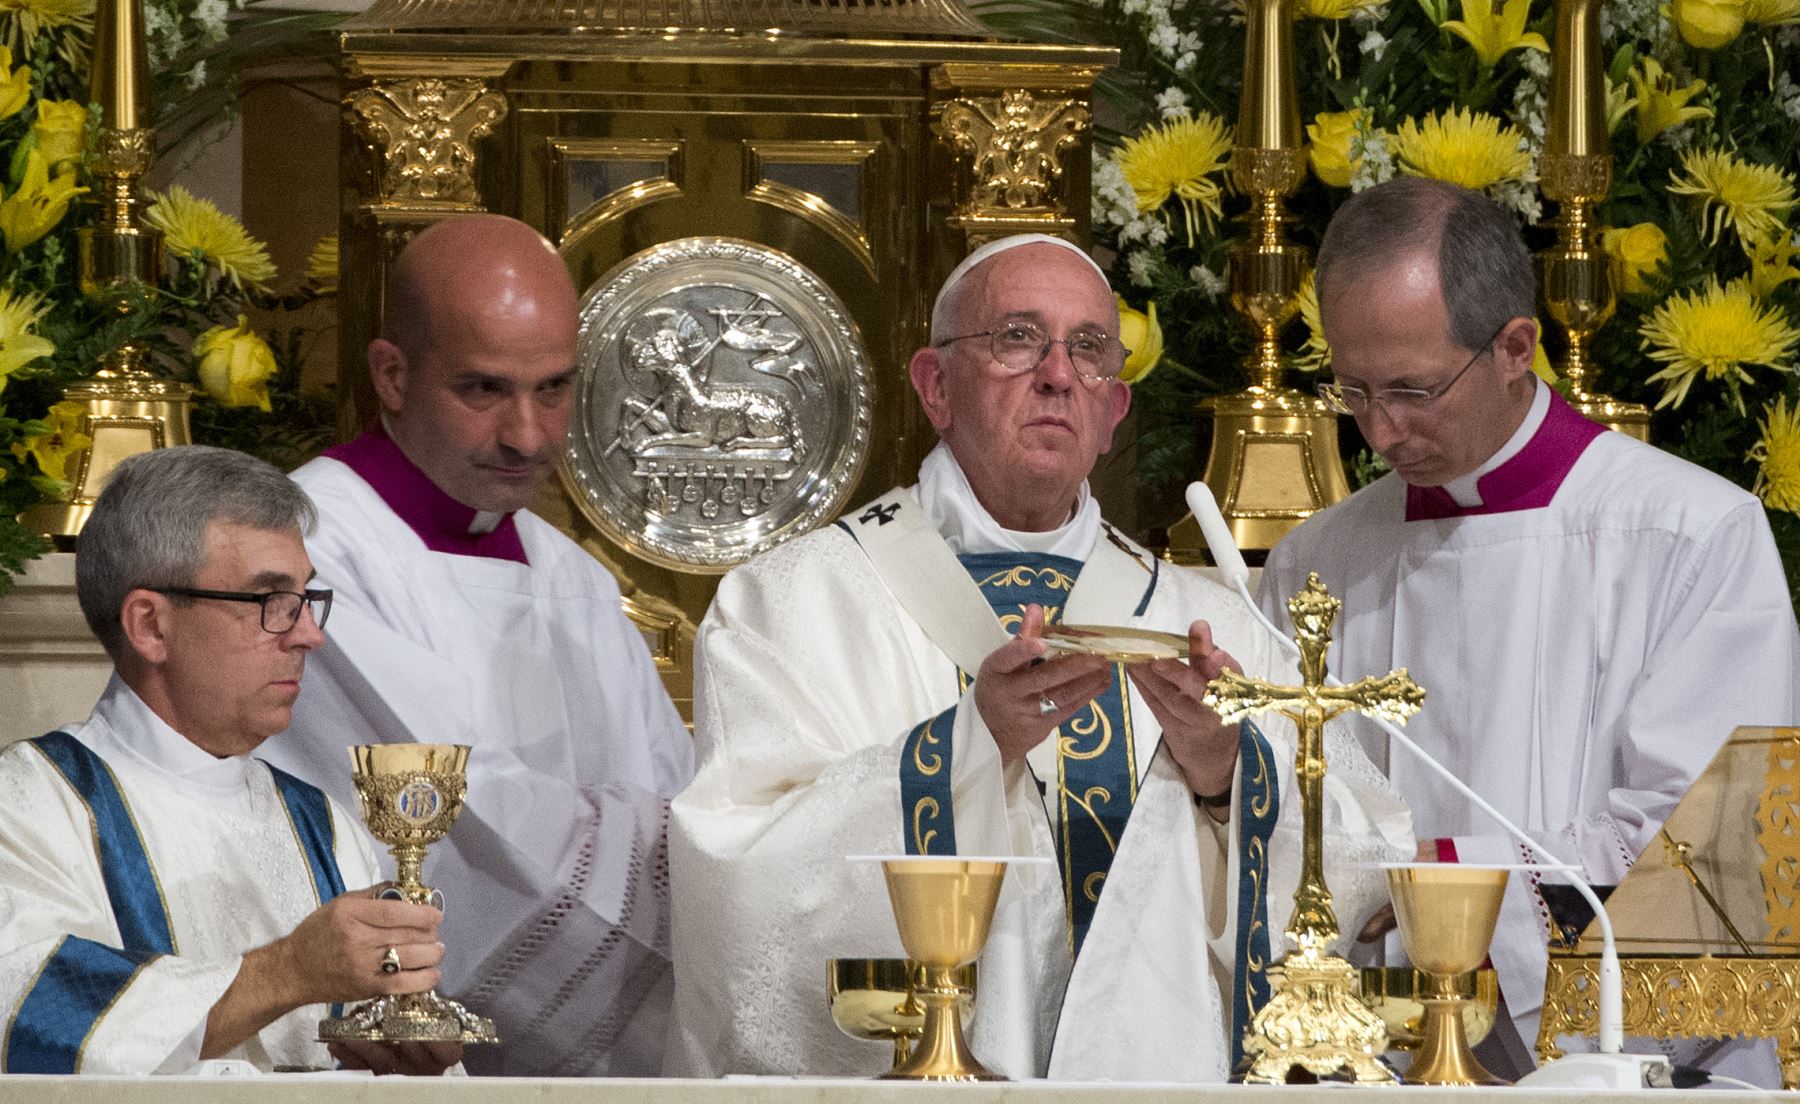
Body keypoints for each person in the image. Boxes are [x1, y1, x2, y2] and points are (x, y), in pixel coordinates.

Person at [667, 234, 1413, 1081]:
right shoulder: (793, 603)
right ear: (935, 386)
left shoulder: (1206, 618)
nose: (1058, 374)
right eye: (1018, 338)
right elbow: (734, 881)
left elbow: (1363, 867)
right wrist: (965, 748)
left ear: (1113, 413)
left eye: (1089, 349)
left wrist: (1225, 777)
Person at [1261, 176, 1800, 1077]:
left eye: (1412, 388)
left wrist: (1444, 880)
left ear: (1516, 346)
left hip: (1622, 1071)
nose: (1381, 429)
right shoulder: (1321, 561)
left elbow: (1713, 855)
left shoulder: (1690, 536)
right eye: (1351, 388)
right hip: (1371, 1070)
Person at [267, 215, 695, 1076]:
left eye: (554, 389)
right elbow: (463, 812)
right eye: (484, 390)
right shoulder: (306, 546)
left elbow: (671, 792)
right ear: (391, 375)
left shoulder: (569, 573)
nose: (528, 436)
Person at [0, 446, 457, 1076]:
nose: (308, 633)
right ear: (150, 626)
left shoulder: (320, 823)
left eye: (304, 598)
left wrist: (402, 1058)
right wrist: (291, 970)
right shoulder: (30, 806)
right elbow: (33, 1021)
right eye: (270, 600)